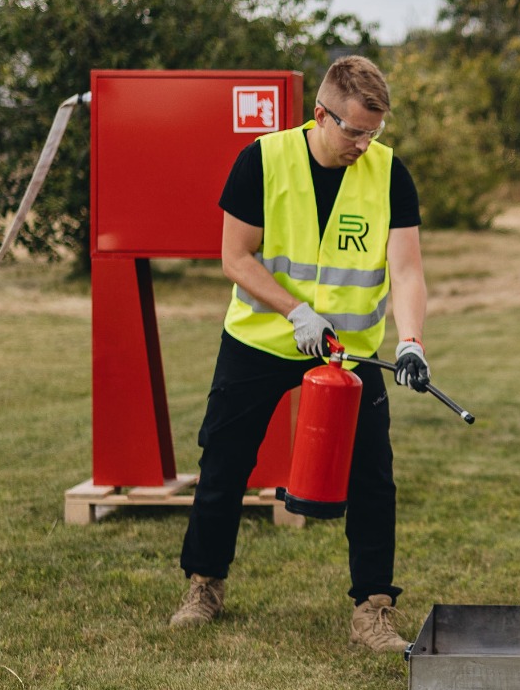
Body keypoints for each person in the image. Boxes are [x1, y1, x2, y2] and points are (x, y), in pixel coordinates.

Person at [170, 55, 430, 651]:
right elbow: (235, 257)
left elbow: (407, 270)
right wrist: (296, 311)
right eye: (355, 131)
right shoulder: (261, 161)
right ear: (320, 115)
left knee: (373, 477)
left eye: (374, 133)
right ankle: (205, 584)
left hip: (349, 352)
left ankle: (373, 608)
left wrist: (410, 341)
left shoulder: (390, 174)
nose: (364, 145)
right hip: (260, 339)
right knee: (224, 461)